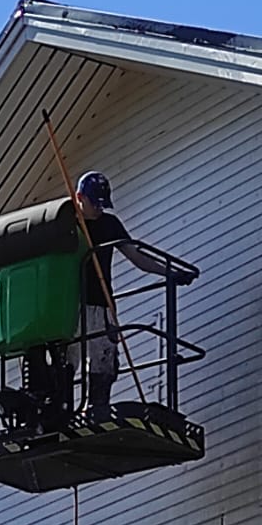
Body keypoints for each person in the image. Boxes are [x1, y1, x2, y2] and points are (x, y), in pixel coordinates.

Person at [71, 170, 191, 420]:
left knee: (105, 361)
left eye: (103, 205)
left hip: (102, 304)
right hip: (71, 304)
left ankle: (96, 410)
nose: (99, 210)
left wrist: (169, 272)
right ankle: (62, 413)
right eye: (95, 204)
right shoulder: (67, 223)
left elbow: (136, 256)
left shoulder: (109, 224)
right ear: (80, 197)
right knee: (67, 361)